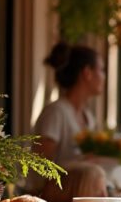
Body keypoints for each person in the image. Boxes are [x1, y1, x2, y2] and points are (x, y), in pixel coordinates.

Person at [31, 43, 105, 190]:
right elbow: (40, 167)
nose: (104, 76)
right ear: (87, 73)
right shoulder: (56, 113)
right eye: (101, 70)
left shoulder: (89, 117)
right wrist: (80, 164)